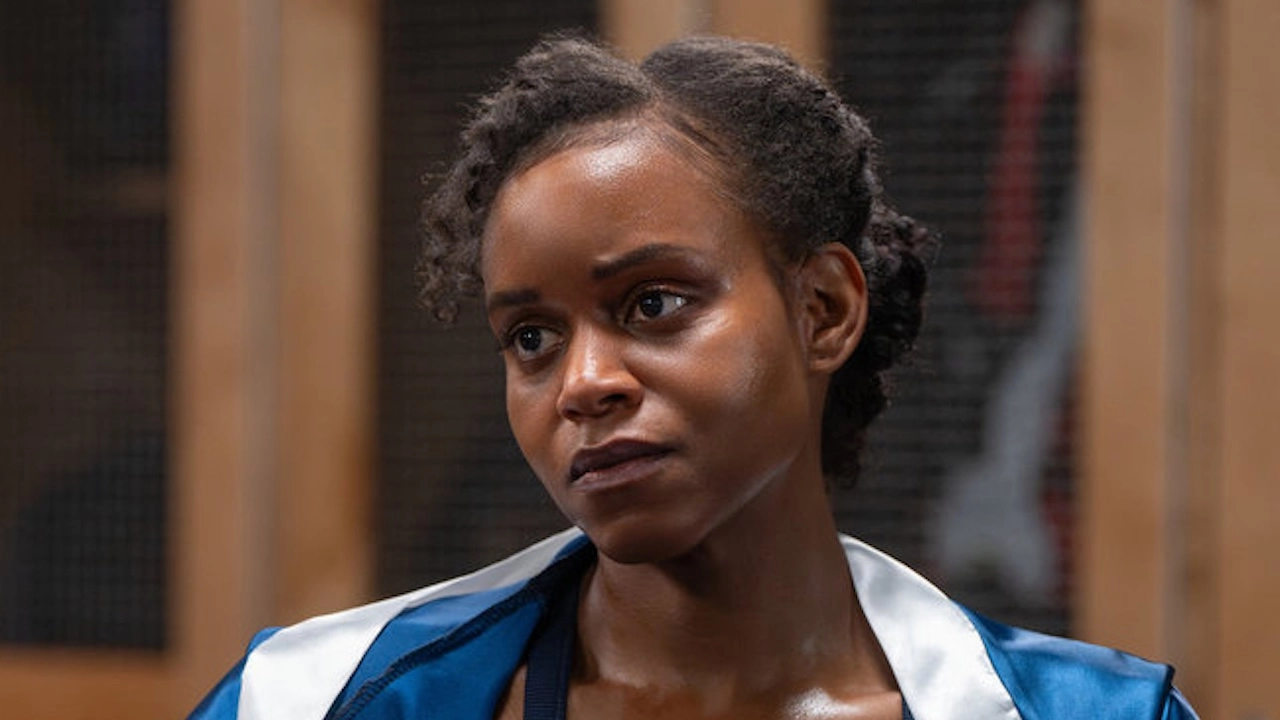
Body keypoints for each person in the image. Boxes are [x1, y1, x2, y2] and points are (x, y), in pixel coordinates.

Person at [190, 34, 1197, 720]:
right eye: (532, 338)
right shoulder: (309, 700)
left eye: (652, 305)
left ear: (823, 309)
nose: (584, 383)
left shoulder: (1092, 714)